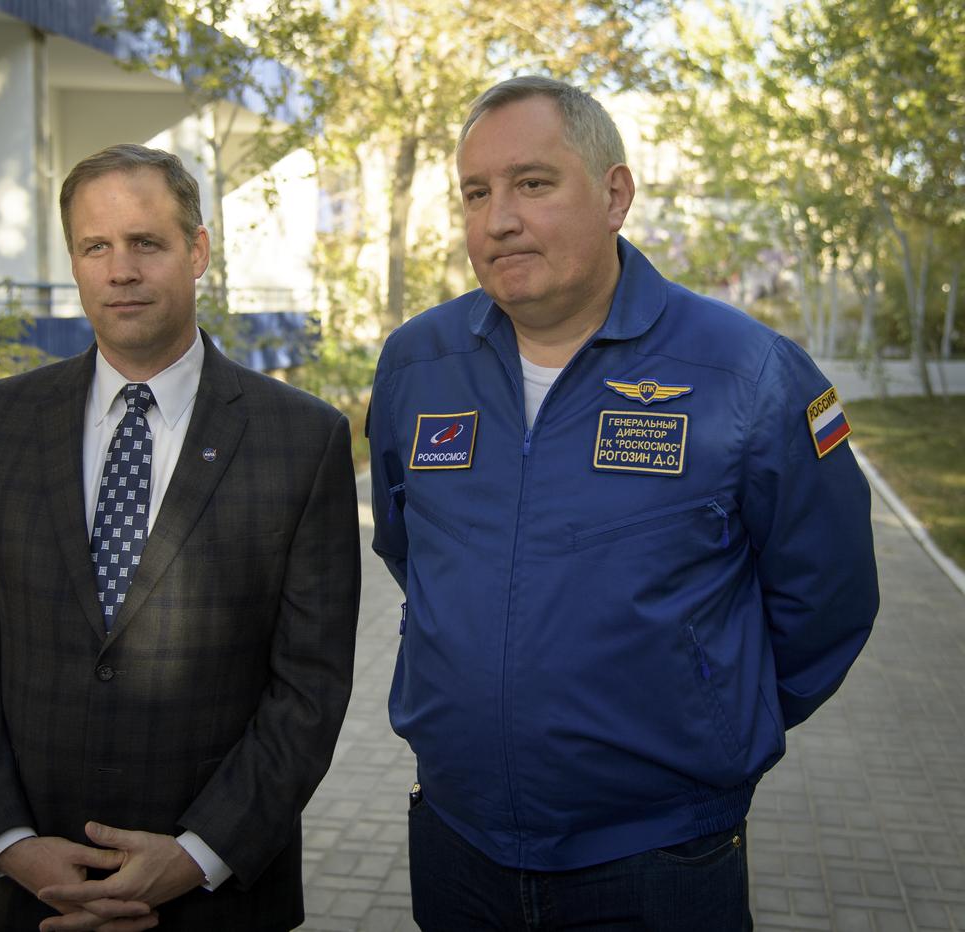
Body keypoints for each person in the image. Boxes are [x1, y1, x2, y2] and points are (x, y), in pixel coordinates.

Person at [366, 76, 879, 930]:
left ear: (615, 195)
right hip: (457, 840)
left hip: (659, 860)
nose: (498, 220)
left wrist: (710, 715)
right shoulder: (418, 364)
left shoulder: (745, 374)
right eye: (476, 193)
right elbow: (406, 548)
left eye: (532, 184)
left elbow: (828, 598)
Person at [0, 143, 361, 932]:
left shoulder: (304, 440)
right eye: (97, 246)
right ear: (76, 264)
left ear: (198, 253)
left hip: (216, 901)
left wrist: (196, 854)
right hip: (28, 894)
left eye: (147, 243)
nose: (121, 269)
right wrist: (10, 842)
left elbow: (309, 688)